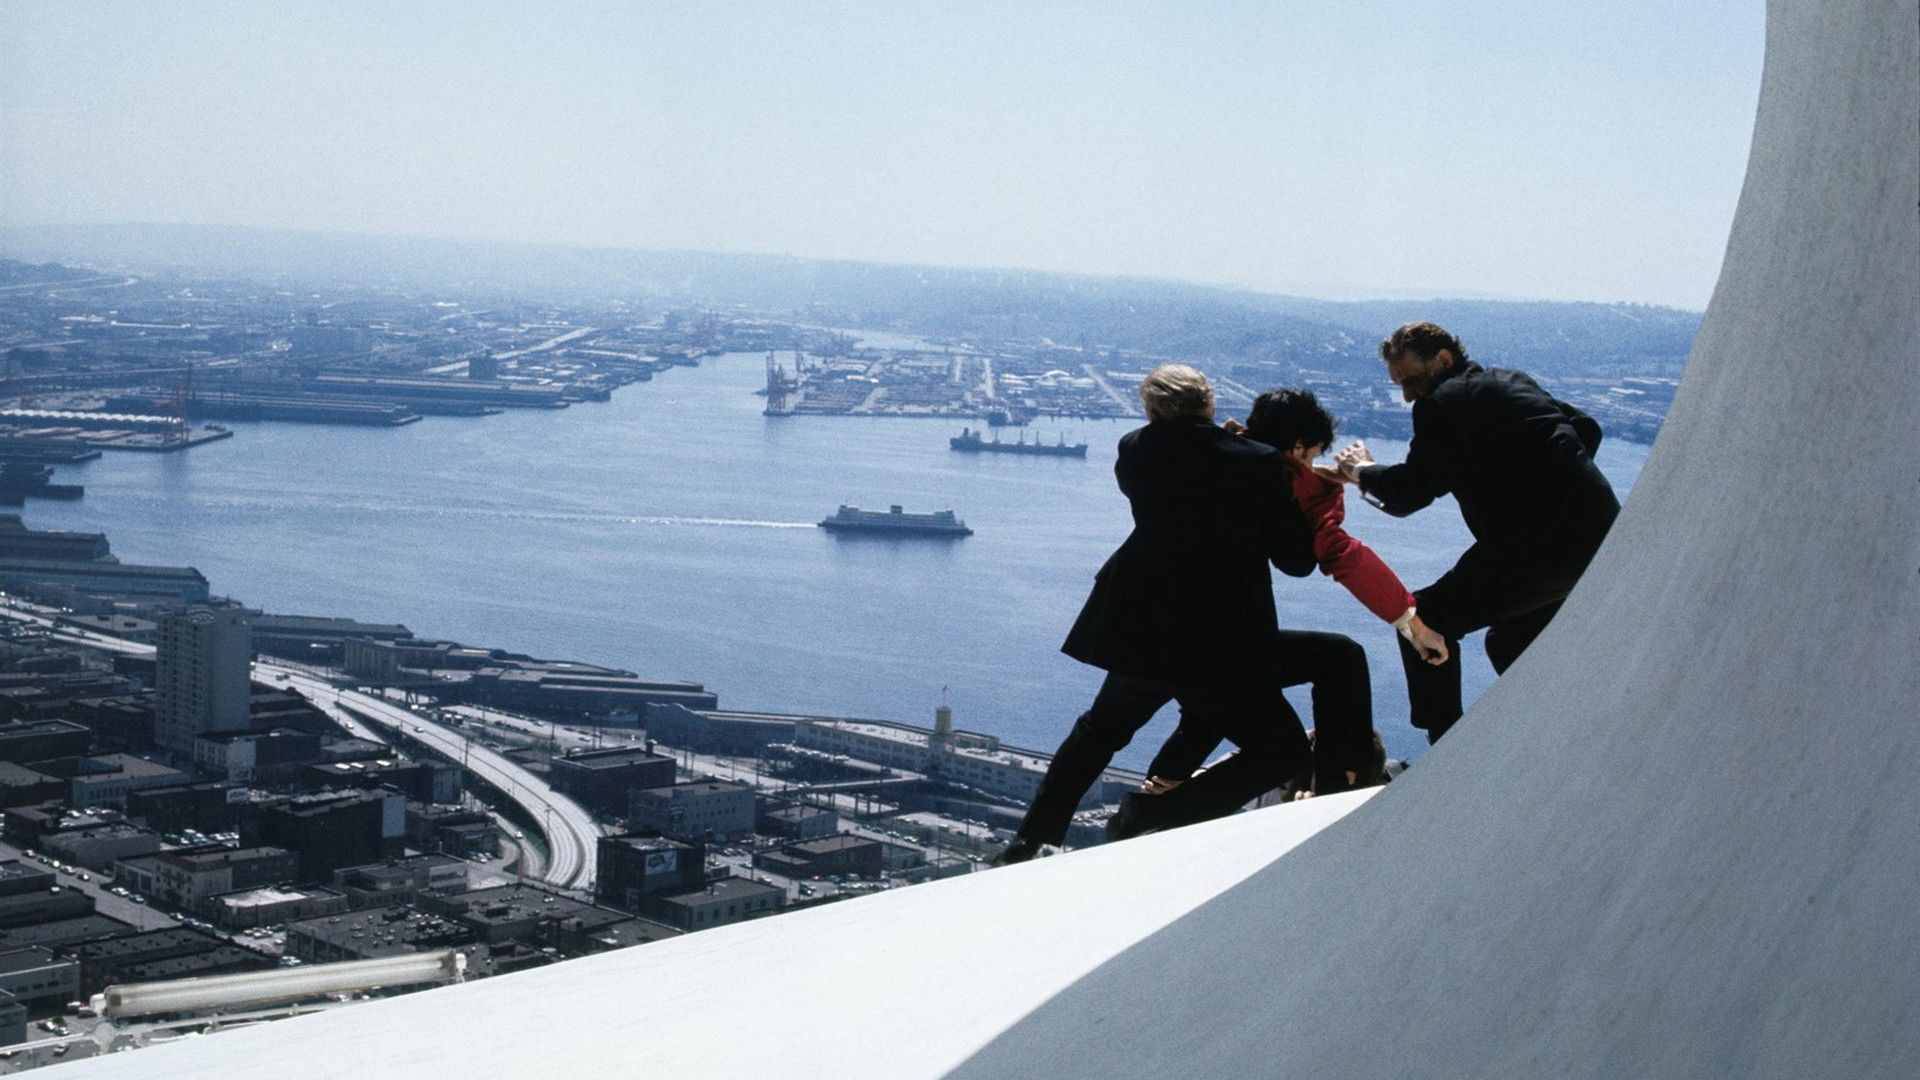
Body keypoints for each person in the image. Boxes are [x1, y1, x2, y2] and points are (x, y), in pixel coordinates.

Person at [993, 365, 1319, 866]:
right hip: (1220, 637)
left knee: (1099, 731)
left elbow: (1186, 477)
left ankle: (1030, 839)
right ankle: (1153, 814)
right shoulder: (1257, 462)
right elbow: (1296, 561)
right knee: (1282, 752)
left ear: (1151, 410)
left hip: (1145, 626)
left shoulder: (1134, 451)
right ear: (1209, 403)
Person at [1135, 389, 1447, 805]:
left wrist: (1324, 475)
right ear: (1298, 447)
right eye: (1311, 455)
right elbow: (1340, 554)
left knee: (1220, 705)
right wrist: (1412, 622)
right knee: (1337, 662)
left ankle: (1154, 798)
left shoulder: (1218, 454)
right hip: (1220, 641)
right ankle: (1336, 786)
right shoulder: (1275, 478)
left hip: (1167, 629)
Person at [1334, 321, 1620, 743]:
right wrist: (1539, 478)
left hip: (1536, 549)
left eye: (1412, 380)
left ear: (1443, 359)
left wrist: (1360, 469)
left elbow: (1410, 492)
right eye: (1400, 385)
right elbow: (1587, 428)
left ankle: (1444, 747)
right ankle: (1559, 732)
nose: (1408, 395)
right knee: (1508, 640)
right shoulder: (1511, 381)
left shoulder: (1441, 405)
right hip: (1604, 538)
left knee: (1422, 618)